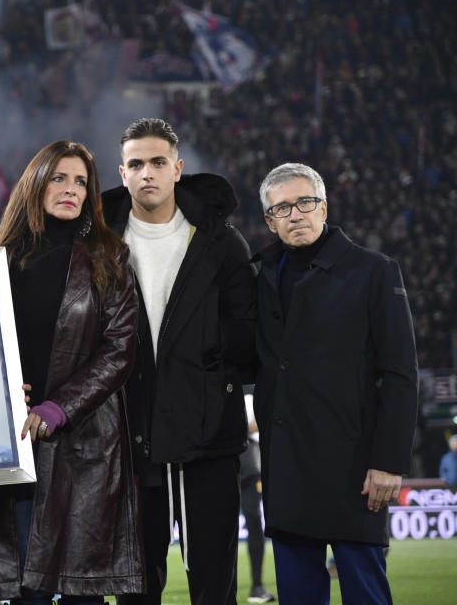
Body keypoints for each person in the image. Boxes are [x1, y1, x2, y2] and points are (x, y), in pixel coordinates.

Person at [0, 140, 143, 602]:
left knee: (82, 591)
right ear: (36, 184)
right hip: (16, 447)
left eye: (81, 181)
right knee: (25, 591)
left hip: (85, 448)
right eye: (59, 178)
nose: (71, 189)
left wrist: (58, 407)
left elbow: (119, 350)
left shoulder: (110, 255)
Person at [102, 118, 256, 605]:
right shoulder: (97, 245)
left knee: (214, 589)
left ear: (178, 169)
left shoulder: (221, 243)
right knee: (134, 593)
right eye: (136, 164)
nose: (147, 172)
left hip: (207, 444)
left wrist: (212, 390)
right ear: (121, 172)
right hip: (128, 444)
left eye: (157, 162)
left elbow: (245, 339)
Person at [253, 162, 419, 604]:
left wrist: (390, 461)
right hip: (287, 471)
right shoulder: (262, 277)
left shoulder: (374, 271)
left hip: (356, 472)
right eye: (282, 208)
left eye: (305, 202)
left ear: (324, 208)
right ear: (269, 221)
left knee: (365, 594)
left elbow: (401, 374)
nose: (295, 214)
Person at [240, 387, 276, 603]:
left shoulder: (257, 387)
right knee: (223, 532)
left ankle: (257, 586)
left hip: (251, 468)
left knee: (255, 524)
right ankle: (224, 588)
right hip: (229, 465)